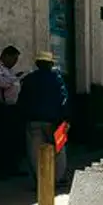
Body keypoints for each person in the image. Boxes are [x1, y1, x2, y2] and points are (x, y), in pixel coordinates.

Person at [17, 51, 69, 187]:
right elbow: (64, 98)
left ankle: (41, 181)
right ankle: (57, 179)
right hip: (55, 120)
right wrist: (65, 118)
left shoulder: (28, 79)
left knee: (34, 153)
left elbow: (22, 100)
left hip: (33, 120)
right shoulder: (57, 78)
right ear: (51, 64)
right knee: (59, 150)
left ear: (37, 64)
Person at [0, 45, 24, 177]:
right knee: (0, 139)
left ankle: (12, 167)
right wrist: (14, 80)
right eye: (13, 59)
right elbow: (2, 83)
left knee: (12, 140)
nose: (14, 63)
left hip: (11, 108)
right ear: (6, 56)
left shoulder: (9, 71)